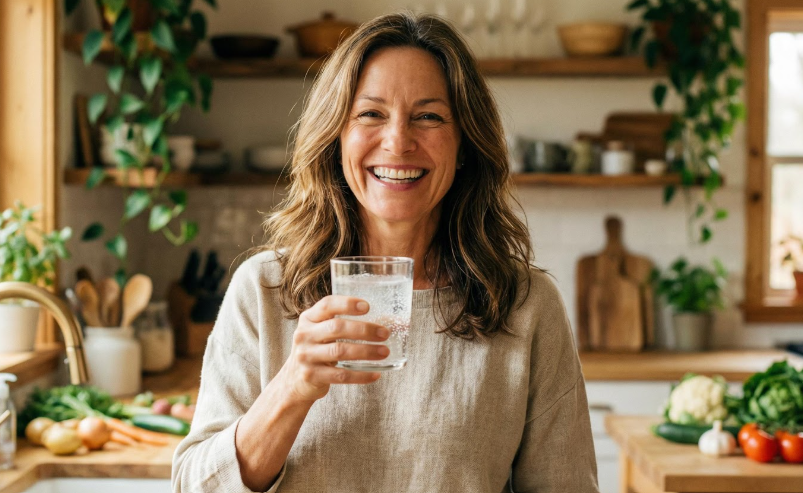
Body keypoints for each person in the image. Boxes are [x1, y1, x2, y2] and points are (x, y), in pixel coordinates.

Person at [172, 11, 598, 493]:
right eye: (371, 114)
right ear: (336, 138)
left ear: (464, 147)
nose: (398, 142)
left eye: (429, 117)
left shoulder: (525, 303)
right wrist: (292, 387)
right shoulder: (264, 289)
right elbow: (197, 486)